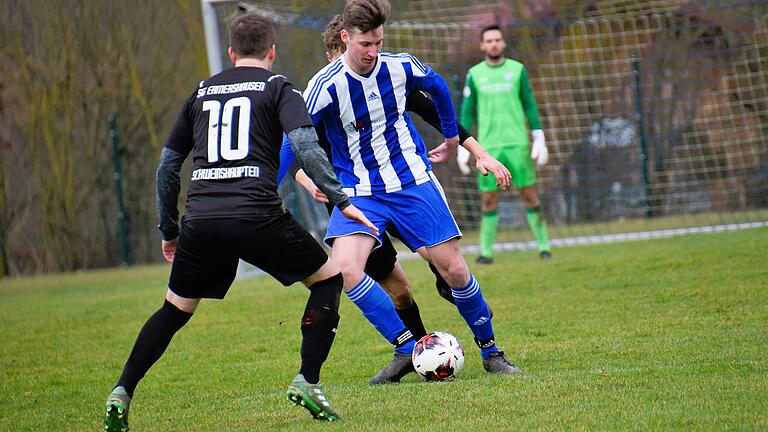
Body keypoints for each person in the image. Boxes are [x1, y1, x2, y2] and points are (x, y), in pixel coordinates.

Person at [103, 14, 379, 430]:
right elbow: (305, 145)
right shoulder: (278, 86)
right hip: (257, 214)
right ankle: (308, 379)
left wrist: (170, 229)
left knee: (174, 309)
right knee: (328, 280)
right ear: (272, 52)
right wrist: (341, 199)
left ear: (231, 54)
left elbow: (166, 169)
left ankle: (122, 389)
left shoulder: (201, 92)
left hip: (201, 219)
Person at [303, 0, 520, 385]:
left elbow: (434, 104)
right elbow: (299, 148)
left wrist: (473, 148)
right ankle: (410, 347)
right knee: (385, 284)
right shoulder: (325, 93)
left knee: (450, 266)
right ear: (340, 45)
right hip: (359, 194)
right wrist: (311, 183)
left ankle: (490, 350)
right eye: (361, 46)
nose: (371, 55)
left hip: (408, 183)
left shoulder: (394, 73)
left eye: (377, 44)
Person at [459, 24, 552, 264]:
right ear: (482, 45)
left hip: (517, 144)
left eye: (497, 40)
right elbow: (468, 111)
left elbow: (529, 103)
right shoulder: (475, 74)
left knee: (529, 194)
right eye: (489, 40)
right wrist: (462, 145)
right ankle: (486, 252)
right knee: (489, 198)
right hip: (488, 149)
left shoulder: (518, 70)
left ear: (503, 43)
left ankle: (544, 247)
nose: (493, 44)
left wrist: (539, 136)